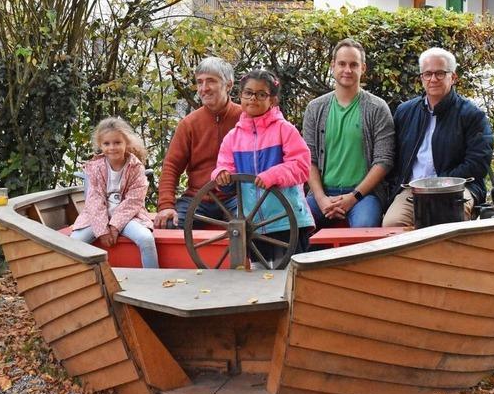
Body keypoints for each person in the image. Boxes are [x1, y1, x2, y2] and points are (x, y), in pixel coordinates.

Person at [212, 69, 314, 268]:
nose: (253, 99)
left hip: (288, 220)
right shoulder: (232, 138)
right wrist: (221, 176)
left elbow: (302, 166)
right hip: (254, 225)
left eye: (261, 94)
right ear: (240, 96)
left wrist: (272, 175)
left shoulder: (285, 130)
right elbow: (224, 168)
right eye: (248, 93)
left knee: (291, 279)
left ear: (273, 100)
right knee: (261, 279)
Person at [383, 47, 494, 227]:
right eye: (427, 74)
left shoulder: (472, 115)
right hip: (414, 190)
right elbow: (393, 157)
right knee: (392, 225)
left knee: (449, 223)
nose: (433, 79)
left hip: (457, 190)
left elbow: (478, 163)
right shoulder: (405, 112)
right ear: (421, 78)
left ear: (453, 77)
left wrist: (439, 183)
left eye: (440, 73)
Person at [302, 38, 394, 229]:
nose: (347, 70)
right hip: (322, 194)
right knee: (295, 226)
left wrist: (353, 197)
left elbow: (383, 161)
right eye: (342, 64)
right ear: (332, 66)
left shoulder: (377, 108)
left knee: (363, 230)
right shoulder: (315, 108)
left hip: (364, 196)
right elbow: (308, 158)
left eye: (354, 64)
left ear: (363, 68)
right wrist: (321, 199)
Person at [155, 57, 241, 229]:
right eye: (199, 82)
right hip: (198, 198)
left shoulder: (245, 119)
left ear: (229, 85)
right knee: (170, 224)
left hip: (236, 198)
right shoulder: (189, 124)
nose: (203, 88)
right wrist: (166, 205)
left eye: (211, 81)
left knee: (253, 225)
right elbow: (171, 166)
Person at [71, 117, 158, 269]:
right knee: (73, 243)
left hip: (129, 217)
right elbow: (94, 199)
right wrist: (102, 230)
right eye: (107, 143)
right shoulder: (96, 167)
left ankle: (154, 279)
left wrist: (115, 226)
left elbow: (134, 201)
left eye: (117, 142)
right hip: (96, 218)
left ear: (126, 143)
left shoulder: (136, 168)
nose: (112, 147)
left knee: (146, 239)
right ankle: (76, 281)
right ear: (100, 145)